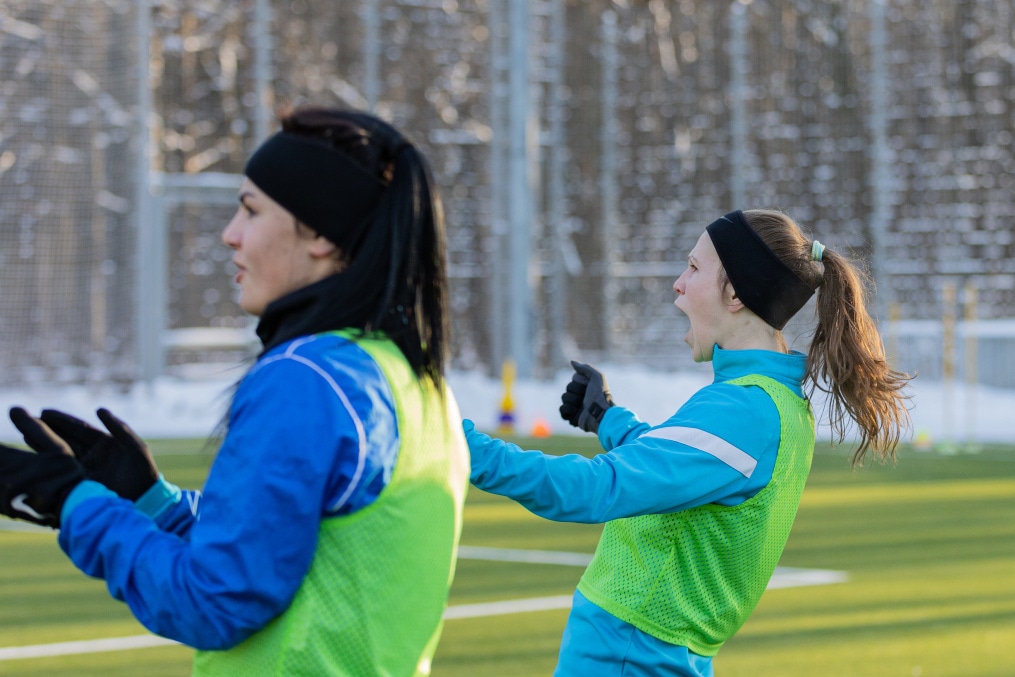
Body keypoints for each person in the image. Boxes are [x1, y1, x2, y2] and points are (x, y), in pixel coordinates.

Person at [0, 106, 470, 676]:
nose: (230, 234)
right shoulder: (409, 376)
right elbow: (280, 553)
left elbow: (213, 601)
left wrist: (70, 500)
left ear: (319, 231)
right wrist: (154, 502)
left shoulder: (306, 379)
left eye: (250, 211)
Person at [464, 209, 911, 676]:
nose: (679, 284)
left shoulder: (746, 411)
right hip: (647, 653)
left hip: (627, 655)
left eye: (694, 268)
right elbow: (675, 472)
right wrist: (607, 420)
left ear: (735, 292)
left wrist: (462, 447)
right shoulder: (770, 399)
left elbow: (595, 488)